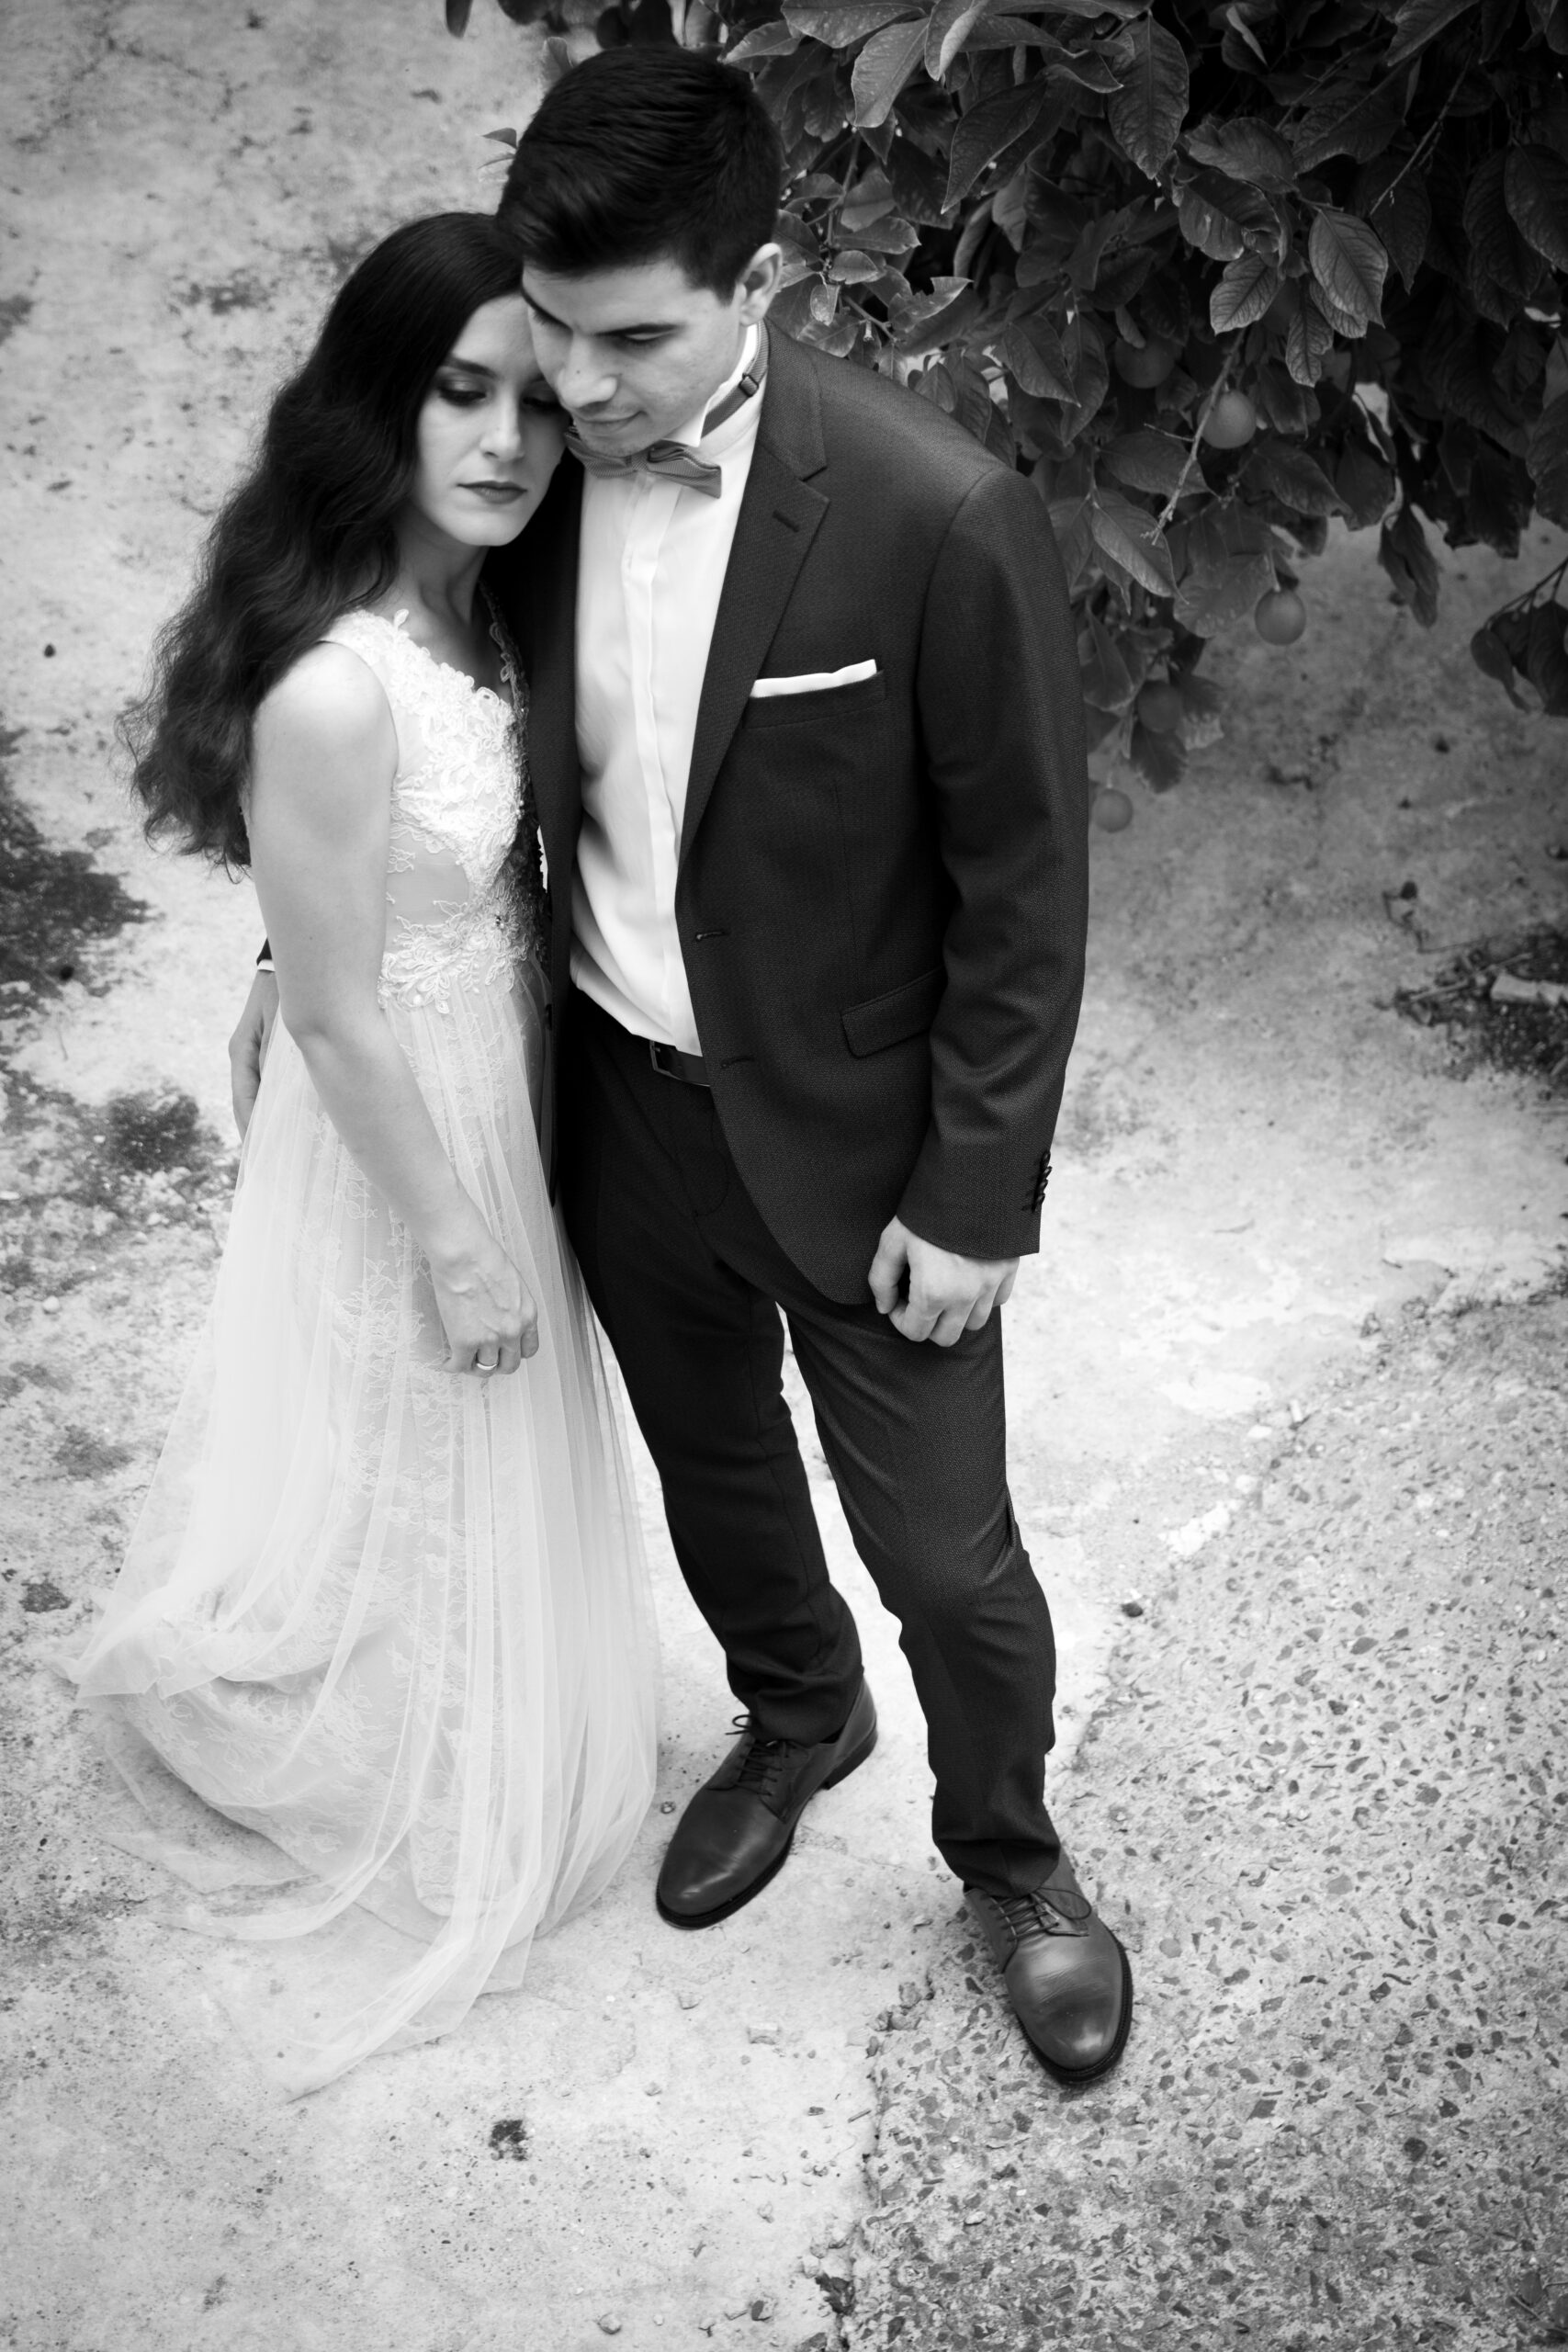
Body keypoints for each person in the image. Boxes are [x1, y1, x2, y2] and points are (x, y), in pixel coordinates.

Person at [237, 46, 1131, 2087]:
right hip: (619, 1104)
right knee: (711, 1471)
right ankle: (795, 1710)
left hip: (869, 1145)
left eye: (632, 339)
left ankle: (1013, 1862)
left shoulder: (934, 511)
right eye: (551, 332)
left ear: (762, 284)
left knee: (947, 1558)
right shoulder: (542, 472)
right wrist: (301, 947)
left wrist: (974, 1192)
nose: (578, 387)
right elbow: (390, 710)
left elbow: (1024, 885)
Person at [68, 213, 658, 2097]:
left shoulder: (489, 605)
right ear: (377, 408)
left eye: (535, 406)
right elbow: (333, 1010)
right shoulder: (335, 684)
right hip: (405, 1103)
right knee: (422, 1398)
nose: (503, 441)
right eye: (457, 393)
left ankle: (477, 1692)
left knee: (468, 1442)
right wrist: (458, 1237)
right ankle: (404, 1748)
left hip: (497, 1058)